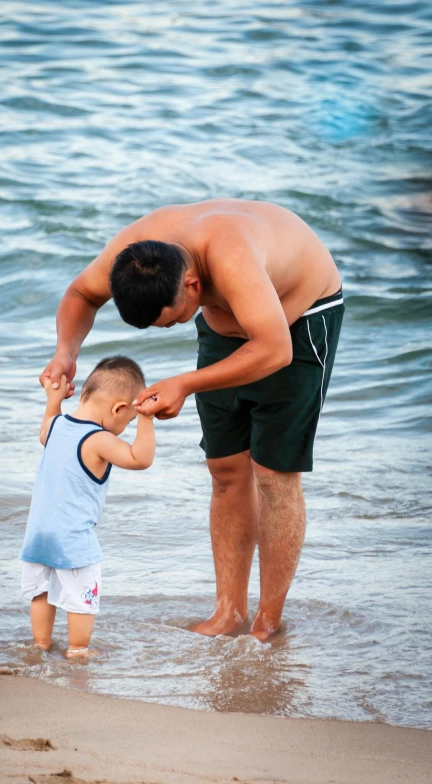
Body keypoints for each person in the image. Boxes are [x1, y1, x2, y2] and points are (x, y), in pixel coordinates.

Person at [40, 199, 344, 642]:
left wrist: (185, 383)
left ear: (193, 283)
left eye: (173, 320)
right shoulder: (138, 252)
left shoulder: (230, 255)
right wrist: (66, 351)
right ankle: (228, 613)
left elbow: (275, 349)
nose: (171, 329)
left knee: (273, 474)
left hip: (296, 325)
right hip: (229, 327)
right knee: (225, 470)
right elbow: (81, 293)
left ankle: (267, 622)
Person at [21, 356, 155, 656]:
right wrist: (148, 417)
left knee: (41, 593)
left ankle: (41, 643)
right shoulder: (98, 439)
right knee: (82, 597)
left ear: (83, 395)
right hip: (72, 539)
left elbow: (44, 429)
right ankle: (78, 649)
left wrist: (54, 399)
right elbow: (140, 458)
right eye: (129, 420)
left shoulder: (56, 424)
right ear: (119, 409)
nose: (127, 425)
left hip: (37, 534)